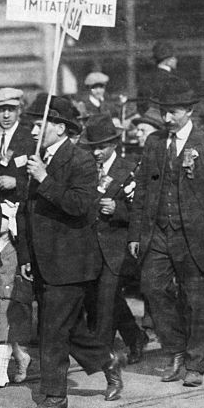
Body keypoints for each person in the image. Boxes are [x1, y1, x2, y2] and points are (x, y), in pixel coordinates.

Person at [19, 95, 123, 408]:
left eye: (40, 125)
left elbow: (80, 206)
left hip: (70, 262)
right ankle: (107, 360)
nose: (34, 132)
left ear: (60, 128)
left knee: (51, 330)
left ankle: (54, 396)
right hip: (42, 260)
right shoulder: (38, 159)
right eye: (34, 125)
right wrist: (26, 255)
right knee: (71, 329)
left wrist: (44, 180)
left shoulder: (79, 160)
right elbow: (27, 212)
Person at [128, 78, 204, 387]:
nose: (166, 119)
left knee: (197, 300)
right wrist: (136, 234)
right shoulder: (154, 143)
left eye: (173, 112)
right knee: (152, 288)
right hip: (158, 234)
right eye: (163, 112)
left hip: (196, 237)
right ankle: (174, 350)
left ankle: (195, 364)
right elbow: (144, 192)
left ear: (189, 111)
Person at [79, 115, 150, 362]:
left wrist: (117, 210)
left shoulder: (129, 169)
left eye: (102, 147)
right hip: (89, 246)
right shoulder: (86, 168)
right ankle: (135, 337)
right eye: (93, 147)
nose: (97, 152)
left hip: (115, 247)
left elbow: (140, 211)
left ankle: (103, 354)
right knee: (102, 297)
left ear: (114, 144)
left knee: (106, 299)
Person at [0, 87, 35, 387]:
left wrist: (17, 181)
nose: (4, 114)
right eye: (0, 109)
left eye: (10, 109)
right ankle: (16, 353)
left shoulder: (30, 141)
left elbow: (38, 183)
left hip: (20, 226)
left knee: (14, 294)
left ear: (19, 111)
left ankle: (17, 353)